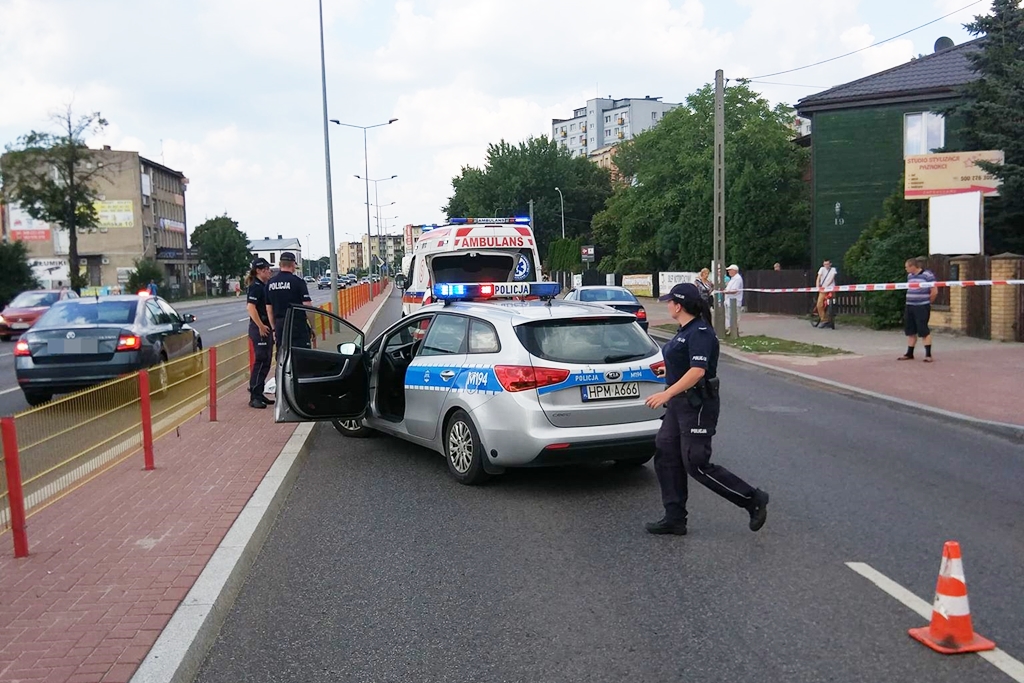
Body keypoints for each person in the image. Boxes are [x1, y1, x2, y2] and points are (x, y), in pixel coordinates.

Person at [644, 283, 769, 536]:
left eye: (670, 301)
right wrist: (668, 372)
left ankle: (752, 498)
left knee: (696, 462)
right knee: (666, 453)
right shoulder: (683, 331)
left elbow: (698, 371)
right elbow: (686, 364)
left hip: (697, 404)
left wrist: (667, 392)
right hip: (679, 404)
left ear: (678, 305)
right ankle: (674, 518)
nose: (667, 304)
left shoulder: (700, 331)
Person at [266, 252, 313, 358]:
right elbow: (307, 306)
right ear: (293, 264)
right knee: (302, 357)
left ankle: (284, 374)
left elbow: (269, 309)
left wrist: (274, 329)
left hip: (280, 325)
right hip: (297, 325)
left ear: (280, 264)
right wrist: (312, 326)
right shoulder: (298, 282)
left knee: (283, 355)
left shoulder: (270, 283)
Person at [246, 258, 275, 410]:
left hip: (265, 327)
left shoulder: (264, 285)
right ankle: (254, 396)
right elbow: (251, 308)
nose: (269, 271)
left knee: (266, 361)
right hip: (259, 328)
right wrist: (261, 326)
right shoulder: (255, 287)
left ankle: (259, 391)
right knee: (261, 360)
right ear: (258, 271)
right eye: (266, 269)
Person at [899, 257, 937, 362]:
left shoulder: (927, 275)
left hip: (922, 306)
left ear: (913, 266)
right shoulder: (910, 276)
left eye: (906, 267)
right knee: (910, 330)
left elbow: (934, 291)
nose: (905, 269)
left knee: (923, 330)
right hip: (910, 305)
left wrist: (928, 302)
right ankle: (909, 353)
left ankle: (928, 355)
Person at [814, 259, 837, 329]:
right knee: (819, 304)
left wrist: (827, 285)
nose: (826, 266)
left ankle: (832, 315)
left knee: (833, 302)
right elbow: (818, 278)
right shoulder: (822, 269)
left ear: (830, 264)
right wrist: (818, 286)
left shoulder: (833, 269)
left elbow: (832, 278)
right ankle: (824, 320)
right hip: (823, 289)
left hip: (831, 288)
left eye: (827, 264)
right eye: (824, 264)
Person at [723, 264, 743, 335]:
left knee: (734, 317)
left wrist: (726, 292)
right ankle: (730, 329)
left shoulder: (737, 278)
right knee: (729, 316)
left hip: (735, 301)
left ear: (734, 271)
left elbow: (735, 290)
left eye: (730, 270)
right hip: (729, 301)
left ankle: (734, 331)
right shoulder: (733, 278)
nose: (728, 272)